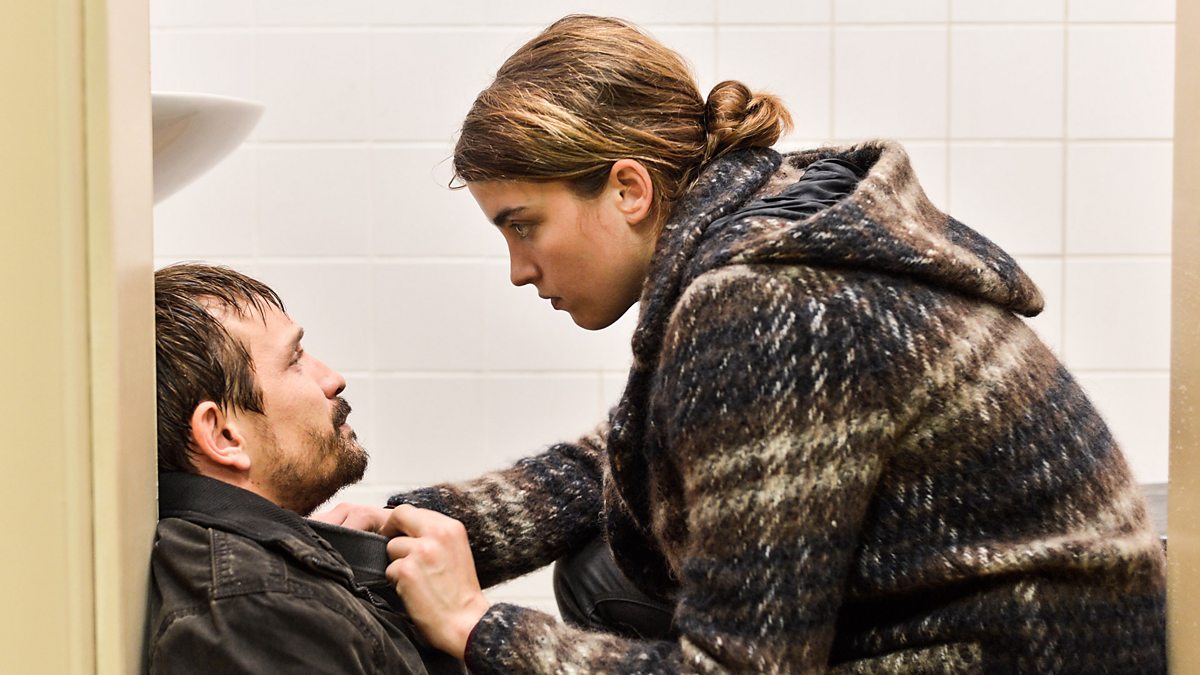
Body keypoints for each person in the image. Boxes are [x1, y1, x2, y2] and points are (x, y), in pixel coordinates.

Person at [335, 14, 1167, 673]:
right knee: (602, 569)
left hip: (1017, 654)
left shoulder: (765, 300)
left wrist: (478, 626)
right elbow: (630, 455)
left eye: (524, 224)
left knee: (601, 588)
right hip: (1023, 623)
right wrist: (423, 520)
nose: (518, 268)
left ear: (627, 187)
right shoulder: (760, 224)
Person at [146, 263, 463, 674]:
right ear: (224, 436)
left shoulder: (264, 586)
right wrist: (467, 623)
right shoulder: (259, 613)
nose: (332, 379)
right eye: (294, 360)